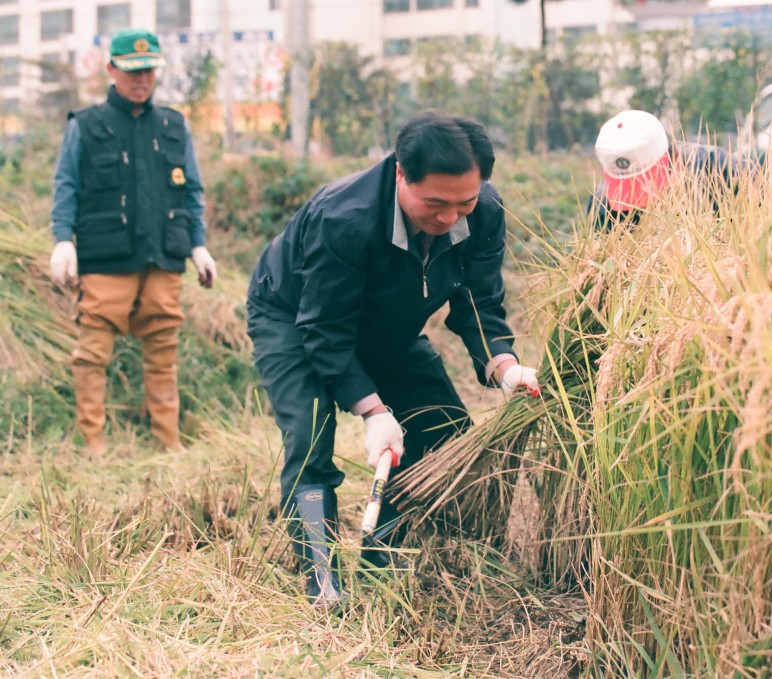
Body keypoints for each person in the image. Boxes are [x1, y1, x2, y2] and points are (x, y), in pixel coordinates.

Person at [246, 110, 541, 607]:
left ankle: (380, 555)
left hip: (386, 324)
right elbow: (324, 329)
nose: (450, 218)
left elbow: (478, 303)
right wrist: (373, 410)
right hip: (295, 318)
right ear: (401, 173)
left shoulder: (484, 213)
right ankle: (321, 578)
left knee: (443, 428)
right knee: (310, 438)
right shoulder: (345, 219)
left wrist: (506, 367)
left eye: (464, 202)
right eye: (435, 204)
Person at [48, 28, 217, 456]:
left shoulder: (173, 125)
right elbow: (66, 185)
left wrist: (198, 244)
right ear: (111, 70)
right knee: (92, 353)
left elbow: (192, 190)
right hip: (105, 258)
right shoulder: (86, 125)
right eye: (132, 70)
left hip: (164, 256)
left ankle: (168, 441)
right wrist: (62, 240)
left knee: (163, 352)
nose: (141, 78)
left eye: (148, 70)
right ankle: (93, 443)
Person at [587, 109, 762, 231]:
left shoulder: (722, 170)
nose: (647, 203)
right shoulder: (603, 205)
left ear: (675, 157)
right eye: (627, 187)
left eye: (649, 182)